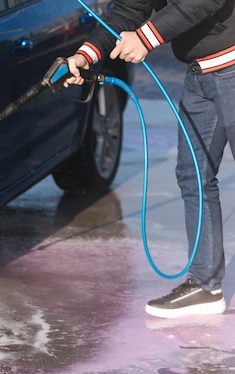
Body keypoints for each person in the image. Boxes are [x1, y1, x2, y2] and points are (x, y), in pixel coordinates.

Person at [64, 0, 235, 319]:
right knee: (193, 176)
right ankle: (205, 284)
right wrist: (86, 55)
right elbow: (128, 9)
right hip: (200, 75)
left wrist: (146, 38)